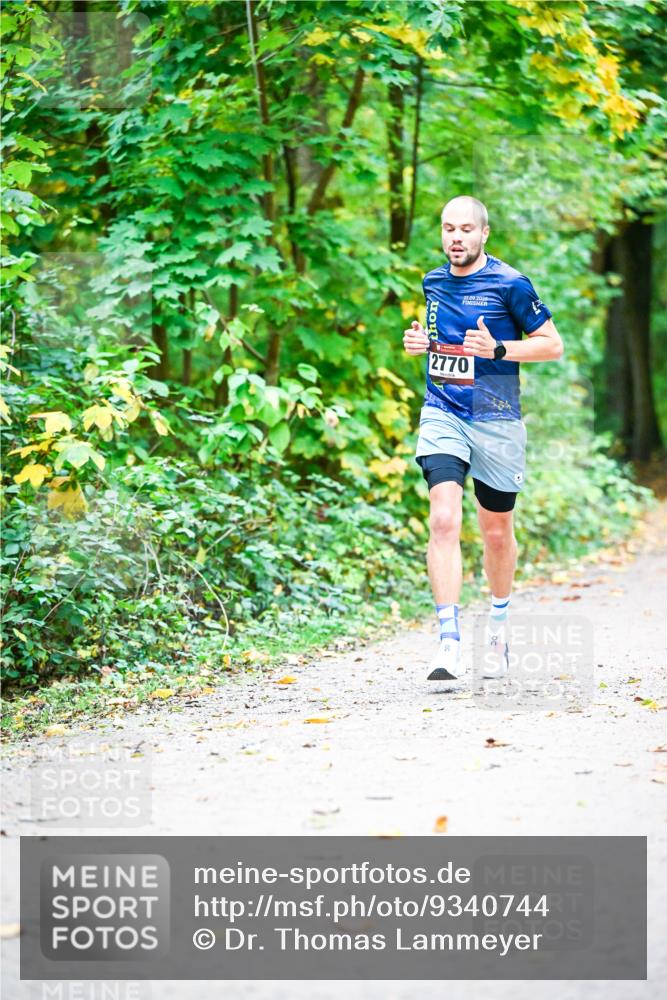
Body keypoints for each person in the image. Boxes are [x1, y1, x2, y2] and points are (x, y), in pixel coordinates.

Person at [403, 196, 563, 682]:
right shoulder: (432, 282)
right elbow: (445, 343)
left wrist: (497, 348)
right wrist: (422, 345)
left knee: (495, 531)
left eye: (466, 229)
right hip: (443, 411)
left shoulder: (511, 284)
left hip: (497, 418)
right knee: (443, 518)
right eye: (449, 228)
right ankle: (448, 641)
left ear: (484, 233)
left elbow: (551, 345)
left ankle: (497, 628)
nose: (456, 237)